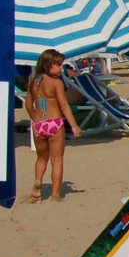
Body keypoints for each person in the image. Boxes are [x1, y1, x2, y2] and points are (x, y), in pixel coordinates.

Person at [24, 49, 82, 202]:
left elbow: (28, 104)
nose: (61, 69)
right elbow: (63, 105)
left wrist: (35, 118)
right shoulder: (56, 83)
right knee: (57, 160)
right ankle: (55, 194)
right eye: (58, 66)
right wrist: (74, 126)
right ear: (48, 65)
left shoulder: (33, 82)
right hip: (54, 124)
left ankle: (38, 182)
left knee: (41, 158)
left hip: (39, 124)